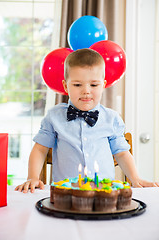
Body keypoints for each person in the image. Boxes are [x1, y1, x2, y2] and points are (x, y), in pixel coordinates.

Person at [15, 48, 159, 193]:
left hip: (104, 194)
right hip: (65, 194)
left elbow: (121, 153)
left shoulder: (111, 118)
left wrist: (135, 178)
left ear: (103, 85)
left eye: (94, 85)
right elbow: (40, 149)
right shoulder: (54, 117)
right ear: (66, 86)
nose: (86, 91)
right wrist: (32, 177)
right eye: (77, 85)